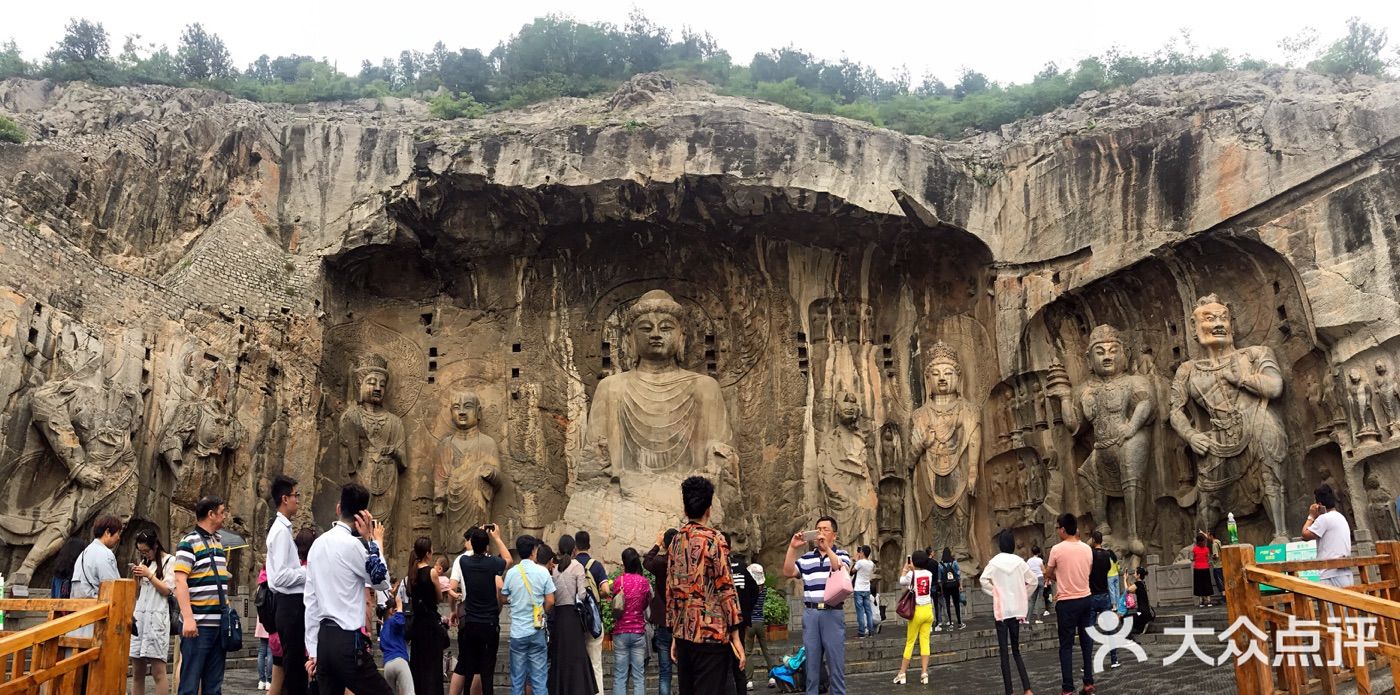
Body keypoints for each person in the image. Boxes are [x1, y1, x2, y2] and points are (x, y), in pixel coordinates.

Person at [303, 483, 394, 695]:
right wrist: (372, 540)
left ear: (338, 508)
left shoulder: (317, 544)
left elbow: (311, 601)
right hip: (347, 642)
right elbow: (382, 582)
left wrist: (313, 649)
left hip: (324, 640)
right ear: (363, 516)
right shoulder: (353, 546)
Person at [669, 476, 744, 695]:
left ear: (684, 507)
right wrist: (736, 636)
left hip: (684, 635)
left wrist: (675, 633)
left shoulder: (676, 540)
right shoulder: (715, 539)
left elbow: (672, 589)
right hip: (711, 634)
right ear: (709, 509)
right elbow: (726, 587)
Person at [785, 515, 851, 695]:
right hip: (811, 614)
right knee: (811, 666)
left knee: (835, 664)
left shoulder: (842, 554)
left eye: (825, 530)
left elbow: (840, 567)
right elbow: (788, 571)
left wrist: (827, 548)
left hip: (832, 614)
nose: (821, 533)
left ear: (834, 535)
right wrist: (792, 547)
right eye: (818, 529)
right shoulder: (806, 558)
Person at [174, 496, 232, 695]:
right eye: (222, 512)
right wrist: (188, 618)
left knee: (214, 686)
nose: (224, 517)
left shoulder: (217, 541)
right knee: (190, 684)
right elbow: (180, 581)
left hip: (219, 624)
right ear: (211, 514)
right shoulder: (188, 542)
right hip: (198, 625)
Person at [450, 525, 512, 695]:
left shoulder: (464, 562)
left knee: (469, 667)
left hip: (471, 622)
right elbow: (508, 559)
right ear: (486, 546)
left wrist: (479, 533)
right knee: (487, 671)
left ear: (470, 543)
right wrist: (497, 537)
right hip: (490, 623)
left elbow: (473, 549)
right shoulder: (492, 563)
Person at [266, 475, 312, 695]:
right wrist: (306, 572)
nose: (298, 500)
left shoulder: (283, 529)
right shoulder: (281, 532)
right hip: (289, 604)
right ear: (285, 498)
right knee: (294, 670)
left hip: (291, 604)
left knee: (294, 667)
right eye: (296, 495)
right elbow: (280, 577)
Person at [981, 530, 1037, 695]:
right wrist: (1023, 595)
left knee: (1004, 653)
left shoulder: (994, 562)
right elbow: (1033, 581)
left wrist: (996, 592)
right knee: (1017, 651)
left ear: (1000, 545)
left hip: (1002, 611)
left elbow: (983, 580)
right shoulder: (1020, 562)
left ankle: (1009, 691)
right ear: (1012, 544)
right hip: (1016, 610)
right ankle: (1027, 689)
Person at [1046, 512, 1095, 695]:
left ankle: (1068, 688)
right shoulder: (1087, 549)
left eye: (1058, 528)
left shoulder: (1057, 550)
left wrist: (1058, 575)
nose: (1058, 531)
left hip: (1066, 601)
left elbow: (1049, 573)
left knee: (1066, 646)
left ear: (1064, 529)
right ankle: (1088, 682)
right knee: (1086, 642)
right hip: (1085, 598)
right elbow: (1087, 571)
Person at [501, 535, 556, 695]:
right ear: (534, 551)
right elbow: (551, 601)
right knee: (539, 681)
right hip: (536, 630)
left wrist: (515, 600)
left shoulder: (511, 573)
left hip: (518, 632)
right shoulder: (542, 572)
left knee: (517, 681)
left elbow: (504, 598)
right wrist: (542, 612)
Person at [550, 535, 599, 694]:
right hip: (573, 615)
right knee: (576, 655)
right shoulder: (577, 566)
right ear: (574, 549)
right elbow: (582, 594)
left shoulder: (555, 568)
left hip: (559, 616)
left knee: (561, 655)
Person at [131, 527, 175, 695]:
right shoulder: (144, 563)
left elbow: (167, 590)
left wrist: (149, 575)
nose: (145, 554)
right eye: (141, 551)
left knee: (158, 672)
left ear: (156, 545)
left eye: (147, 550)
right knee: (137, 673)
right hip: (140, 619)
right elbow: (136, 593)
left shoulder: (170, 561)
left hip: (157, 619)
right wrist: (136, 577)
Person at [406, 537, 446, 695]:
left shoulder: (412, 572)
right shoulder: (431, 572)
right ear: (428, 553)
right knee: (432, 667)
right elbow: (439, 597)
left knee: (419, 665)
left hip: (418, 624)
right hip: (430, 623)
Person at [574, 530, 610, 695]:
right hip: (594, 620)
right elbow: (606, 589)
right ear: (589, 545)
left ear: (575, 546)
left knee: (578, 663)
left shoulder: (571, 565)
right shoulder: (596, 565)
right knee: (596, 663)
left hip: (576, 621)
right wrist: (595, 597)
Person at [612, 548, 652, 695]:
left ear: (624, 562)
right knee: (638, 676)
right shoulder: (644, 582)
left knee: (620, 675)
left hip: (621, 631)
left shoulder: (618, 581)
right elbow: (646, 604)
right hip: (638, 632)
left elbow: (616, 603)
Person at [891, 550, 934, 686]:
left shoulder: (911, 574)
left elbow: (901, 581)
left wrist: (905, 569)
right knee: (925, 641)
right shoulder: (929, 574)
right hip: (928, 610)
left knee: (910, 642)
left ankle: (902, 673)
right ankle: (924, 673)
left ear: (913, 562)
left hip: (916, 611)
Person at [644, 529, 679, 695]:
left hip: (664, 622)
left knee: (665, 671)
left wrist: (657, 544)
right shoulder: (683, 564)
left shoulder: (660, 563)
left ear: (666, 544)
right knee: (686, 669)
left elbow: (646, 561)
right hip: (682, 622)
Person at [1303, 483, 1355, 587]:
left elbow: (1305, 534)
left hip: (1330, 573)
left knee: (1331, 603)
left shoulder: (1324, 519)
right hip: (1345, 572)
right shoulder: (1341, 517)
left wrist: (1311, 516)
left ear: (1319, 504)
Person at [726, 539, 760, 693]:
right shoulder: (741, 566)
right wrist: (746, 611)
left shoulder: (715, 566)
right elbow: (754, 590)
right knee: (739, 663)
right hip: (739, 621)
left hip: (721, 623)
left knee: (722, 666)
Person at [1088, 531, 1120, 669]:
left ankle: (1087, 663)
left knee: (1088, 630)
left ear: (1094, 540)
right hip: (1105, 595)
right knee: (1110, 629)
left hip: (1092, 595)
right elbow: (1107, 569)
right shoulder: (1107, 555)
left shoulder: (1090, 554)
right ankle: (1114, 659)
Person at [381, 582, 415, 695]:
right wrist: (400, 606)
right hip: (400, 661)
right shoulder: (394, 621)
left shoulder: (383, 629)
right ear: (392, 611)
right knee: (409, 692)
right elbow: (400, 621)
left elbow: (382, 647)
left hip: (387, 665)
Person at [745, 562, 775, 681]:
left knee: (748, 652)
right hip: (760, 622)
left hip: (750, 623)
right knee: (765, 650)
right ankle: (772, 676)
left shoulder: (748, 590)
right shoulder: (764, 589)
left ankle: (749, 680)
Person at [936, 548, 964, 630]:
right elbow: (958, 574)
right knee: (956, 604)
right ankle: (959, 623)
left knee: (947, 605)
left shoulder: (940, 564)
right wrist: (960, 585)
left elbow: (939, 579)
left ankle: (950, 624)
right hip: (955, 585)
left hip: (946, 587)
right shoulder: (954, 562)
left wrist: (941, 589)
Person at [851, 546, 876, 638]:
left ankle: (861, 632)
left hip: (858, 589)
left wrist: (855, 560)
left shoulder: (860, 563)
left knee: (860, 611)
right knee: (868, 611)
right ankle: (871, 631)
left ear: (862, 552)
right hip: (867, 589)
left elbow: (852, 572)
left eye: (860, 551)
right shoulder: (871, 563)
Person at [256, 568, 273, 691]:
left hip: (261, 622)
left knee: (262, 652)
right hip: (271, 621)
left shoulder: (259, 586)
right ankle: (269, 680)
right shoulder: (272, 584)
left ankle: (261, 680)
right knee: (271, 652)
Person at [1128, 567, 1154, 636]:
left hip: (1142, 612)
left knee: (1128, 618)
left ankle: (1144, 622)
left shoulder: (1138, 584)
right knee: (1136, 615)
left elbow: (1127, 590)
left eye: (1135, 573)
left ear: (1138, 575)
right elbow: (1132, 590)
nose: (1134, 574)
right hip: (1147, 610)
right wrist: (1128, 581)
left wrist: (1124, 579)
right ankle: (1144, 622)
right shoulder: (1142, 583)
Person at [1191, 533, 1213, 608]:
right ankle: (1209, 600)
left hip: (1197, 569)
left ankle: (1201, 602)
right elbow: (1208, 558)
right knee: (1207, 584)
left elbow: (1193, 558)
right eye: (1204, 541)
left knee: (1199, 585)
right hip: (1205, 568)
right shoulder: (1206, 549)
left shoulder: (1194, 549)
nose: (1204, 542)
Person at [1026, 546, 1047, 623]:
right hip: (1040, 579)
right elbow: (1044, 571)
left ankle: (1028, 619)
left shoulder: (1028, 561)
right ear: (1039, 552)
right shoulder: (1040, 560)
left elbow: (1027, 571)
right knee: (1039, 599)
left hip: (1033, 580)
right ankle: (1038, 619)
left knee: (1032, 600)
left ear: (1032, 552)